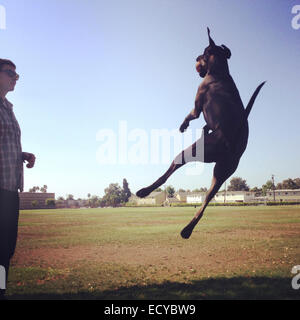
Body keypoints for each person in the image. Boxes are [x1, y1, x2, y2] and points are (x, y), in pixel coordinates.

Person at [0, 58, 35, 299]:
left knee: (6, 249)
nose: (15, 77)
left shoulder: (7, 108)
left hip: (10, 190)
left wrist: (22, 154)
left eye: (16, 74)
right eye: (10, 73)